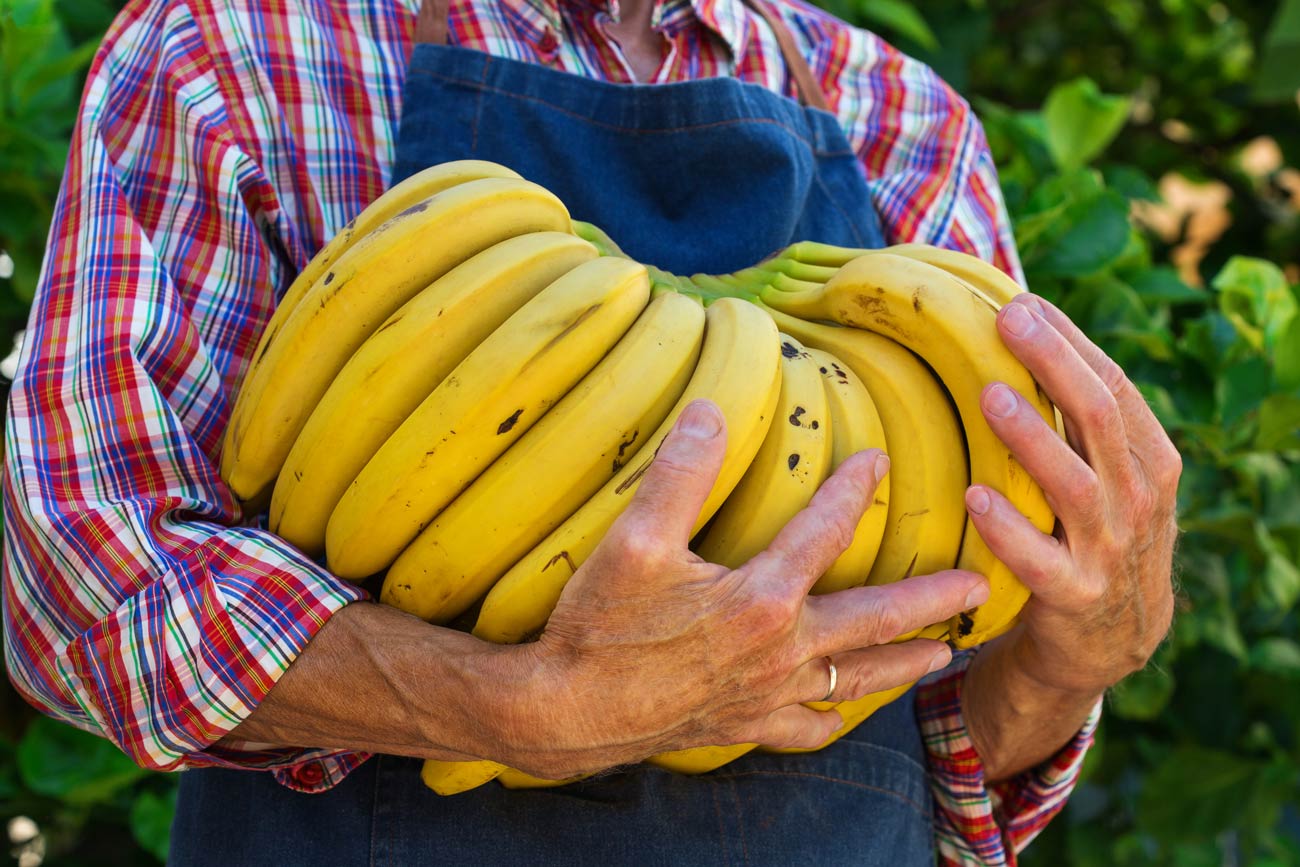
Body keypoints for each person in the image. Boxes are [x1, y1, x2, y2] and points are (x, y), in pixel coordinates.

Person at [0, 0, 1181, 862]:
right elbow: (83, 580)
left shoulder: (903, 118)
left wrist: (1072, 662)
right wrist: (505, 706)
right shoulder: (238, 49)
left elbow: (946, 718)